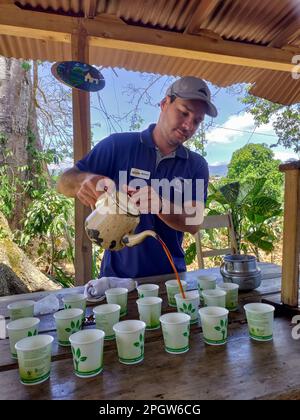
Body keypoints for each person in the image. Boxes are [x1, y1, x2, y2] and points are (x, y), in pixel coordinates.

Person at [57, 76, 218, 279]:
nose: (188, 125)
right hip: (116, 279)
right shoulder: (118, 146)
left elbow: (194, 222)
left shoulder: (196, 164)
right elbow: (63, 182)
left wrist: (161, 205)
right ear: (164, 103)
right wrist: (86, 180)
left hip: (170, 279)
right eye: (184, 112)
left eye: (197, 120)